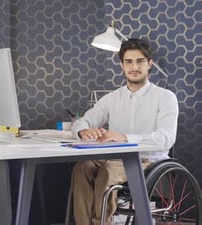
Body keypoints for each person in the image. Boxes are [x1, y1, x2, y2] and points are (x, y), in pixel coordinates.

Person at [70, 38, 179, 225]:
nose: (134, 67)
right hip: (114, 157)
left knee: (107, 171)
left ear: (149, 64)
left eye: (140, 61)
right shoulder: (112, 98)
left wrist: (125, 138)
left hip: (147, 160)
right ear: (122, 65)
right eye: (128, 62)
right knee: (83, 167)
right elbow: (85, 120)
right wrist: (84, 131)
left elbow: (166, 139)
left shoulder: (165, 97)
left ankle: (101, 223)